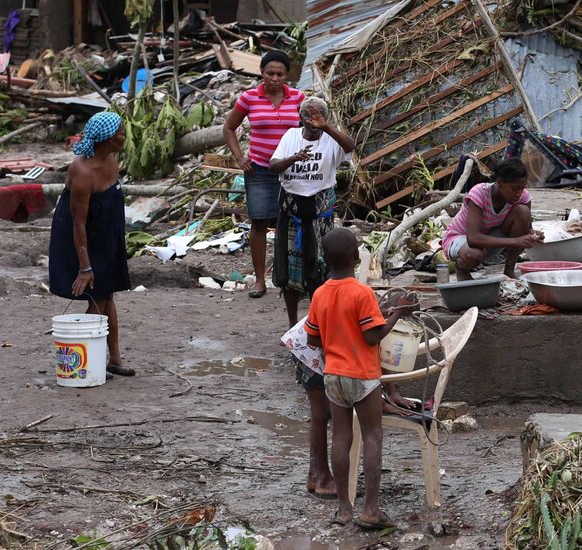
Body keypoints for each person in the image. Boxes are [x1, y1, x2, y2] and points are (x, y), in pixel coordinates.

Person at [305, 229, 415, 530]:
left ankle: (343, 509)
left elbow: (312, 339)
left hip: (333, 377)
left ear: (325, 260)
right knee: (372, 437)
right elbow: (372, 336)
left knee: (340, 438)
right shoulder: (362, 292)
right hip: (363, 377)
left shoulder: (320, 293)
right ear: (357, 257)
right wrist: (397, 315)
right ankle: (370, 510)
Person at [49, 112, 133, 378]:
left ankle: (113, 359)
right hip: (81, 234)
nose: (124, 136)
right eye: (120, 133)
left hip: (106, 231)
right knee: (99, 296)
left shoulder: (110, 159)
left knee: (107, 293)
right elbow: (78, 222)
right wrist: (85, 266)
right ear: (107, 139)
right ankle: (87, 358)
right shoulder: (82, 172)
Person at [224, 50, 306, 299]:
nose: (275, 78)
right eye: (270, 73)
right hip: (259, 168)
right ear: (261, 72)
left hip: (291, 169)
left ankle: (289, 278)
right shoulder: (249, 98)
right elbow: (229, 128)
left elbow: (309, 128)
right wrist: (240, 158)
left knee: (291, 222)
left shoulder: (298, 98)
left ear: (287, 76)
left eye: (280, 74)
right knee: (259, 222)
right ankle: (260, 280)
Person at [268, 97, 356, 327]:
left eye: (317, 118)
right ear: (301, 119)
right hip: (292, 213)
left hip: (319, 216)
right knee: (289, 275)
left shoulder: (330, 139)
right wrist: (293, 158)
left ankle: (318, 323)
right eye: (307, 118)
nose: (312, 124)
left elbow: (350, 146)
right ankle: (292, 323)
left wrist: (325, 126)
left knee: (321, 270)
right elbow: (273, 166)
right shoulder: (290, 137)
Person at [441, 158, 542, 280]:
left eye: (522, 188)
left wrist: (533, 236)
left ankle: (509, 271)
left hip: (489, 240)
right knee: (474, 254)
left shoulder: (522, 196)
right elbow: (473, 239)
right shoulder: (480, 194)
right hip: (460, 239)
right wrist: (516, 241)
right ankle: (462, 268)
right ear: (499, 182)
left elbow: (527, 229)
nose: (519, 193)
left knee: (523, 212)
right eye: (515, 188)